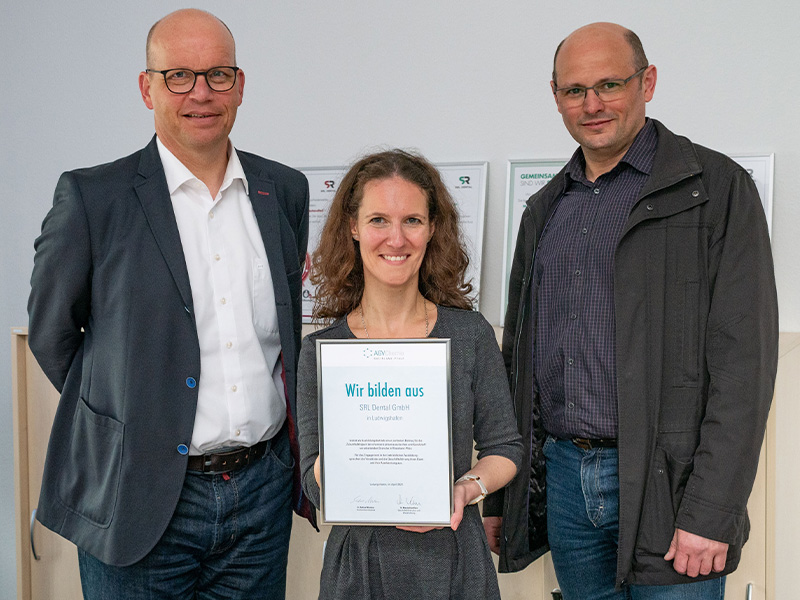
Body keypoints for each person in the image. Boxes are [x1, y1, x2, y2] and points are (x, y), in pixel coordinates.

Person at [483, 22, 778, 600]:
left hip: (671, 490)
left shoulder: (716, 190)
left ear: (648, 82)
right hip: (566, 483)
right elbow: (518, 363)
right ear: (555, 96)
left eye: (609, 84)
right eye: (574, 90)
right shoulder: (546, 209)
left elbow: (745, 367)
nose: (591, 104)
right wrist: (503, 498)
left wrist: (712, 509)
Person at [28, 9, 312, 599]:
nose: (201, 93)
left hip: (260, 494)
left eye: (218, 74)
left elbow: (282, 333)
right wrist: (130, 416)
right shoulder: (93, 198)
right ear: (147, 87)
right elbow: (53, 336)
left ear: (240, 85)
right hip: (137, 491)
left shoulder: (283, 190)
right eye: (179, 75)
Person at [296, 149, 523, 599]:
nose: (396, 239)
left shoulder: (470, 334)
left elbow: (506, 448)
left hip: (454, 558)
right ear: (353, 227)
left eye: (412, 221)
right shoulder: (322, 351)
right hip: (360, 566)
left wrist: (465, 489)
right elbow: (311, 481)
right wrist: (347, 448)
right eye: (378, 220)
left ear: (433, 228)